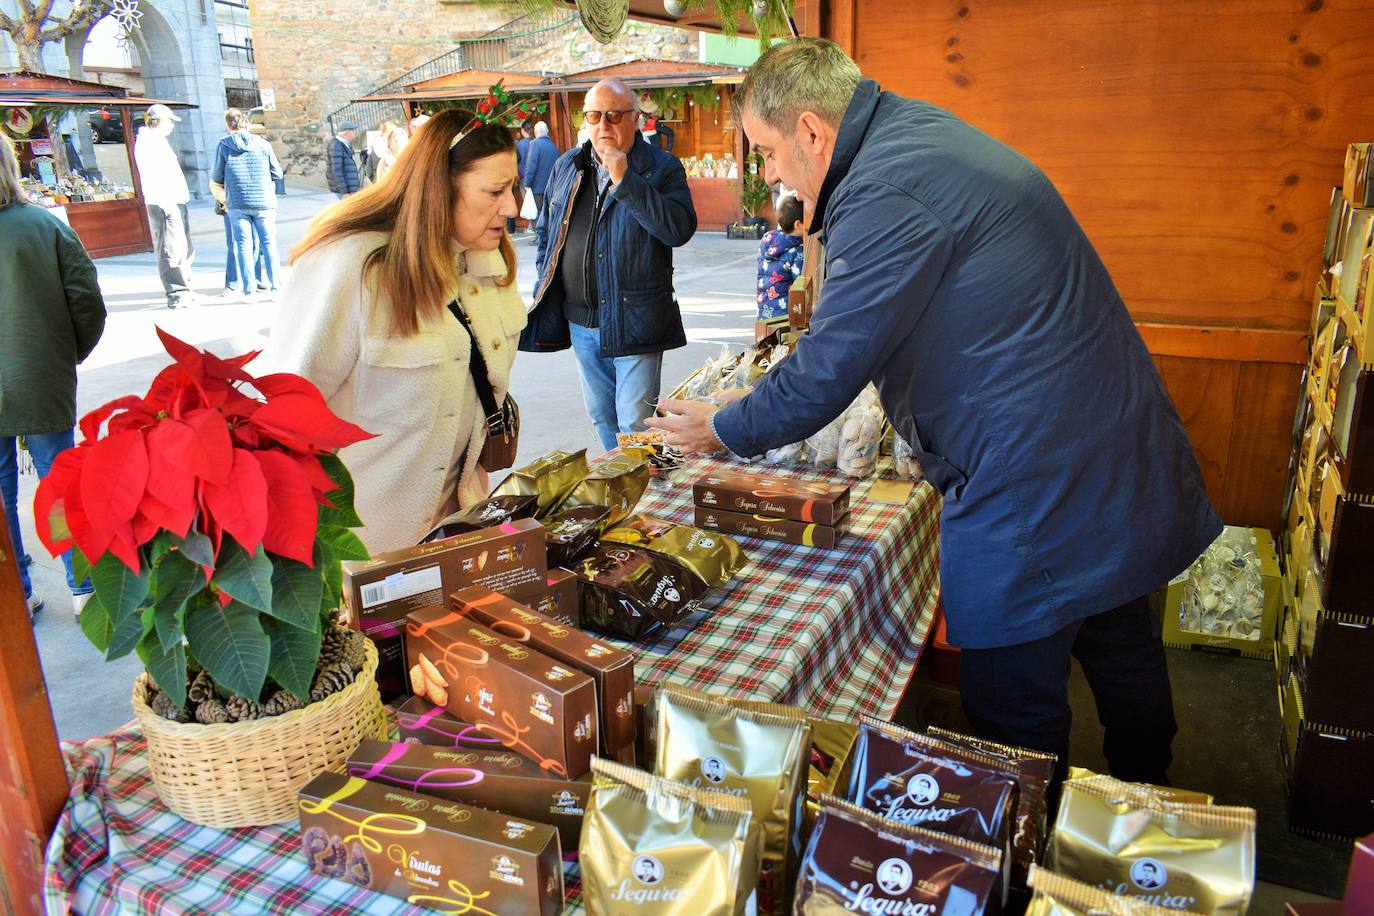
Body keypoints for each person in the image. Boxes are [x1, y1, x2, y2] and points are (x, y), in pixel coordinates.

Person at [648, 38, 1221, 785]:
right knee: (1120, 641)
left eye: (766, 151)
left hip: (1032, 478)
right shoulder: (913, 135)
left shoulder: (885, 190)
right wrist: (756, 395)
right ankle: (1142, 816)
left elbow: (830, 369)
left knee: (1011, 705)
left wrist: (723, 427)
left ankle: (1024, 850)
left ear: (812, 133)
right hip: (1105, 447)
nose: (770, 174)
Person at [265, 108, 525, 554]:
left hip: (455, 532)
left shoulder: (487, 262)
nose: (513, 207)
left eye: (513, 188)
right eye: (495, 191)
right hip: (361, 548)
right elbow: (282, 413)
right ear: (439, 190)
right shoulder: (353, 265)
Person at [523, 78, 697, 452]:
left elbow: (678, 229)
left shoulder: (661, 168)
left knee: (635, 421)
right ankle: (623, 481)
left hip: (634, 320)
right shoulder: (568, 165)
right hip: (581, 322)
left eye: (614, 116)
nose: (603, 125)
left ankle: (648, 487)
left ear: (635, 119)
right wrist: (544, 279)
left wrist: (625, 179)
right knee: (602, 415)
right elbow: (546, 233)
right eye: (594, 115)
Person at [0, 130, 105, 618]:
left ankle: (14, 589)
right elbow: (87, 301)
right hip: (40, 372)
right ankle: (82, 585)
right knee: (57, 485)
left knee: (1, 493)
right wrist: (67, 355)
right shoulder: (44, 225)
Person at [212, 108, 284, 297]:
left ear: (228, 125)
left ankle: (249, 291)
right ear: (246, 123)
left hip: (237, 203)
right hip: (264, 202)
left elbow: (216, 176)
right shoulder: (263, 144)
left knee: (242, 245)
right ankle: (276, 287)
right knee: (269, 244)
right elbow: (277, 173)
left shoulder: (224, 145)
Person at [133, 103, 194, 308]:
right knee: (170, 248)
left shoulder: (156, 141)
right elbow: (156, 176)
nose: (172, 126)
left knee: (182, 247)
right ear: (159, 121)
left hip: (175, 200)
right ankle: (177, 292)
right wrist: (166, 203)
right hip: (164, 201)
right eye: (170, 121)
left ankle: (184, 287)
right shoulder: (148, 142)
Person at [756, 194, 805, 323]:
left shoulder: (767, 240)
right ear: (798, 224)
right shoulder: (798, 251)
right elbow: (800, 281)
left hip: (763, 310)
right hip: (783, 315)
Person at [523, 120, 559, 223]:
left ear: (535, 132)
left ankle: (540, 237)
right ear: (547, 131)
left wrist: (527, 183)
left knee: (539, 213)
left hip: (537, 187)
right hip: (552, 185)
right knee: (549, 212)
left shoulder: (534, 144)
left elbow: (531, 166)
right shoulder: (553, 146)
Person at [327, 121, 361, 198]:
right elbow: (336, 170)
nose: (354, 134)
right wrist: (344, 191)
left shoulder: (343, 144)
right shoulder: (336, 145)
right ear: (346, 133)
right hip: (344, 190)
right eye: (353, 132)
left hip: (349, 187)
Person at [375, 121, 408, 185]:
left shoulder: (405, 159)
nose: (400, 144)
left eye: (403, 141)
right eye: (396, 141)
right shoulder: (388, 161)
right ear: (389, 143)